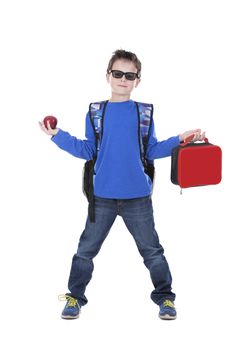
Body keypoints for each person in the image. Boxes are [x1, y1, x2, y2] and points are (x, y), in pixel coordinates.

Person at [39, 49, 205, 320]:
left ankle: (165, 298)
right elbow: (87, 150)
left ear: (137, 80)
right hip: (102, 197)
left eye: (130, 75)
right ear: (108, 76)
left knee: (152, 251)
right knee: (85, 251)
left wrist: (180, 138)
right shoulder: (96, 112)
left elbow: (151, 149)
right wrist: (57, 135)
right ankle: (74, 298)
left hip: (138, 196)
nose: (123, 79)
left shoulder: (144, 112)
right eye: (118, 73)